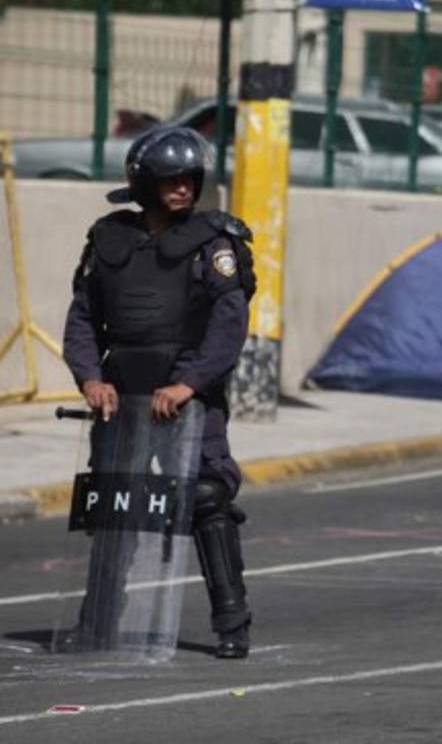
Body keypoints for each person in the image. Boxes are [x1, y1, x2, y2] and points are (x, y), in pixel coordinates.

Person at [62, 126, 257, 658]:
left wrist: (188, 383)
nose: (182, 188)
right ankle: (97, 623)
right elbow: (82, 319)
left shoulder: (215, 243)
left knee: (207, 498)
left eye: (189, 178)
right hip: (120, 400)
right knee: (115, 504)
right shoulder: (108, 240)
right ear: (144, 183)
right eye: (170, 179)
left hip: (186, 403)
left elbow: (228, 324)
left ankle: (232, 625)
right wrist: (90, 379)